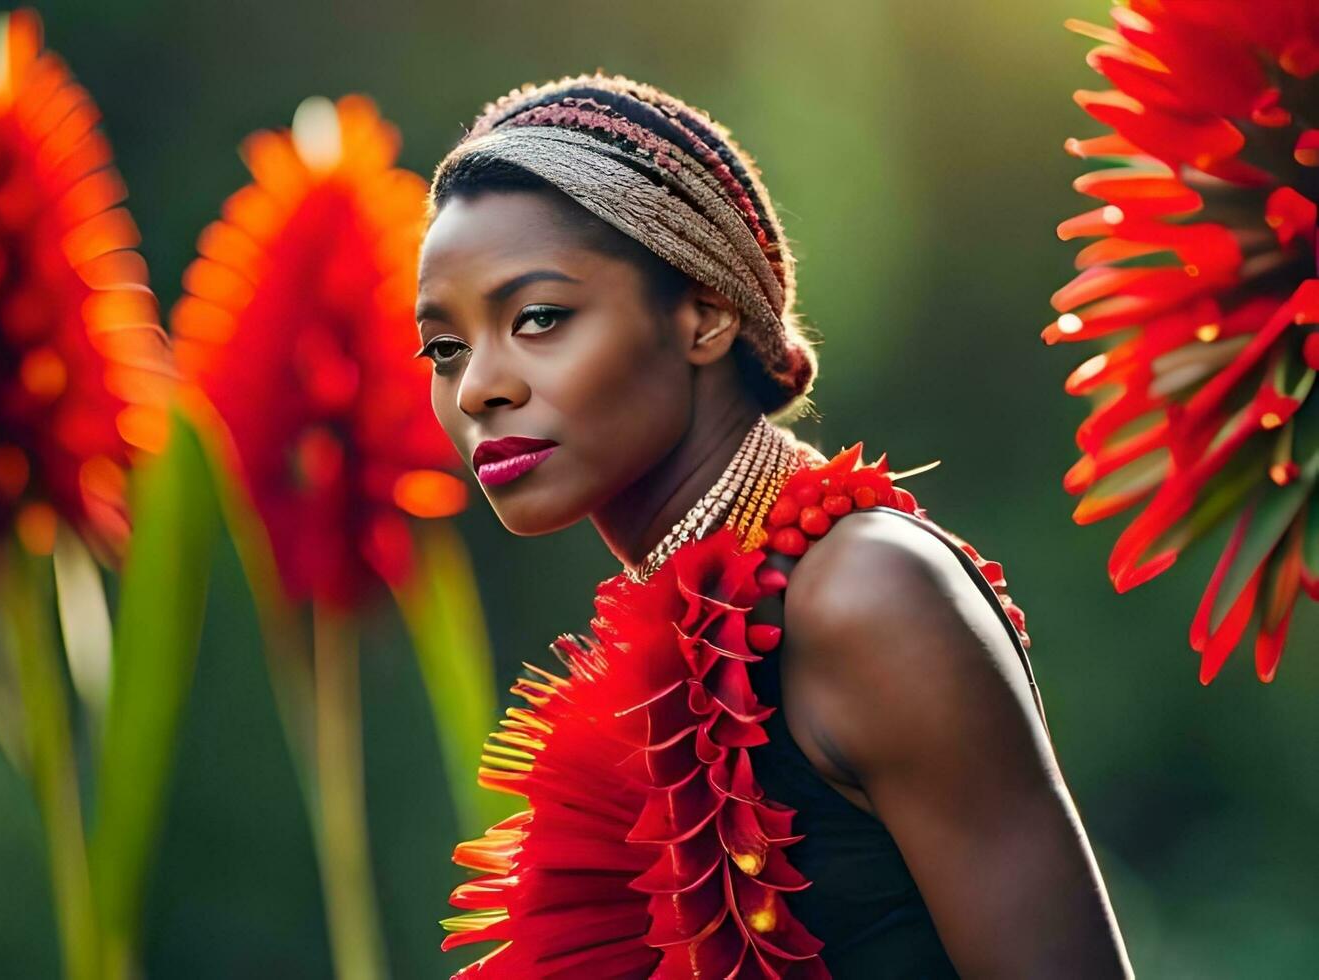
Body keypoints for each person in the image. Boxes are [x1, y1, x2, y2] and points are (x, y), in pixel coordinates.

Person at [416, 73, 1132, 979]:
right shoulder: (656, 647)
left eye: (539, 318)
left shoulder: (868, 595)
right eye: (445, 348)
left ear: (706, 313)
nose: (477, 386)